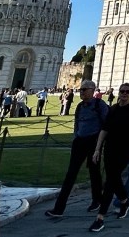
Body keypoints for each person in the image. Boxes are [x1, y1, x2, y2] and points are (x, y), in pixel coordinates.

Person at [45, 80, 109, 219]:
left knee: (94, 172)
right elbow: (77, 123)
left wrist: (100, 145)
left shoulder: (100, 105)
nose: (82, 92)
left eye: (85, 89)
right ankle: (59, 208)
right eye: (81, 89)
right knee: (71, 174)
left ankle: (97, 200)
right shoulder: (80, 106)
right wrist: (76, 137)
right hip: (80, 142)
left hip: (94, 142)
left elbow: (106, 125)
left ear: (93, 90)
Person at [90, 82, 129, 233]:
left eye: (127, 91)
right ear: (118, 93)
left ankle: (100, 217)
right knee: (114, 178)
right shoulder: (112, 110)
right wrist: (97, 149)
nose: (124, 93)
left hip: (126, 150)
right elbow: (104, 130)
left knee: (110, 181)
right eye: (122, 91)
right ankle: (125, 201)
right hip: (110, 149)